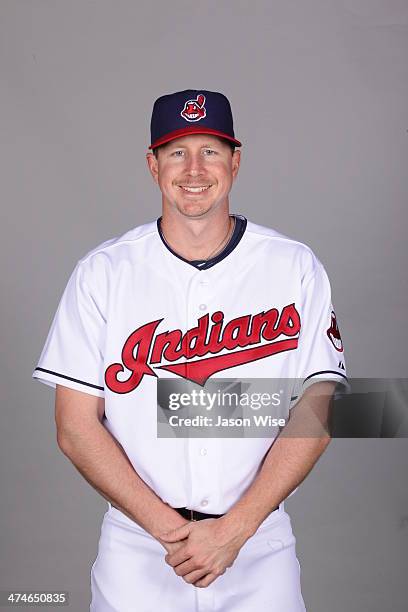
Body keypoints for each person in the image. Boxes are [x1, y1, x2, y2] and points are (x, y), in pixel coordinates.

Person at [32, 89, 348, 611]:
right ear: (153, 164)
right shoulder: (103, 273)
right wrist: (171, 532)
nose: (194, 168)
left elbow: (315, 412)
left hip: (258, 546)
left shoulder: (294, 267)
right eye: (177, 151)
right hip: (138, 549)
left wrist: (235, 530)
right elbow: (75, 427)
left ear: (236, 162)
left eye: (211, 150)